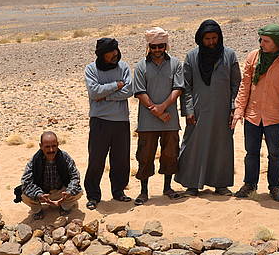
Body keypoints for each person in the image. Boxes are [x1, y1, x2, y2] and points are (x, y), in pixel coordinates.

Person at [232, 24, 279, 201]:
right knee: (251, 152)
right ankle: (249, 185)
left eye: (266, 41)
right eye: (261, 39)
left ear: (277, 42)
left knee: (275, 153)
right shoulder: (253, 57)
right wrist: (239, 109)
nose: (261, 43)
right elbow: (245, 85)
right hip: (253, 115)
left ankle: (275, 187)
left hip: (275, 116)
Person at [176, 20, 241, 196]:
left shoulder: (229, 55)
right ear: (200, 39)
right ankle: (191, 185)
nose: (211, 42)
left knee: (222, 146)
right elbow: (186, 86)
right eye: (207, 39)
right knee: (193, 146)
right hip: (198, 111)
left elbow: (236, 84)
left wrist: (233, 108)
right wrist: (188, 110)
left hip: (222, 112)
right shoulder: (191, 57)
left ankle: (220, 184)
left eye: (214, 38)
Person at [133, 27, 185, 205]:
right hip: (147, 121)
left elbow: (178, 88)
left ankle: (167, 188)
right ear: (149, 47)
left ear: (166, 45)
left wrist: (162, 108)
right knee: (145, 155)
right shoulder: (141, 66)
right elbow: (140, 92)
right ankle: (144, 191)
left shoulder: (176, 64)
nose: (157, 50)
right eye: (153, 47)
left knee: (170, 154)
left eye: (160, 46)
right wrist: (155, 110)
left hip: (169, 120)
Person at [83, 37, 133, 209]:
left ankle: (118, 191)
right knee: (96, 159)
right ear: (101, 54)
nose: (115, 54)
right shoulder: (91, 69)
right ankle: (93, 195)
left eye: (116, 50)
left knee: (121, 159)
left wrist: (107, 96)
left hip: (121, 120)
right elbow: (94, 92)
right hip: (99, 121)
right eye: (110, 52)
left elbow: (129, 90)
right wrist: (116, 85)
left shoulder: (124, 67)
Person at [19, 131, 83, 220]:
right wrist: (39, 194)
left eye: (54, 146)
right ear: (41, 146)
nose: (51, 150)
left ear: (57, 144)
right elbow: (26, 181)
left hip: (61, 192)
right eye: (47, 147)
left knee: (78, 192)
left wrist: (69, 191)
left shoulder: (64, 157)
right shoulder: (35, 160)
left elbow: (75, 176)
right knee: (23, 194)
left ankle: (64, 207)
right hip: (42, 193)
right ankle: (37, 210)